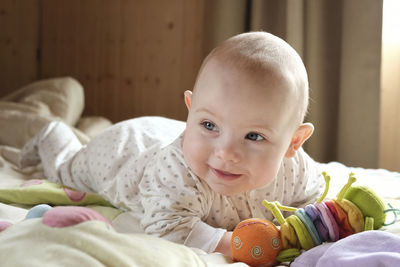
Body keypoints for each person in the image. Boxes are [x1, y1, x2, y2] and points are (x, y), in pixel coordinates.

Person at [19, 31, 325, 257]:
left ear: (293, 143)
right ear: (190, 110)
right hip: (122, 153)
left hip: (164, 133)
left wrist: (301, 228)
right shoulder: (176, 174)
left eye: (254, 136)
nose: (226, 153)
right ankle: (53, 133)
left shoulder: (294, 170)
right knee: (65, 168)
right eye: (209, 125)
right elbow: (169, 226)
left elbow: (311, 199)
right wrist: (234, 244)